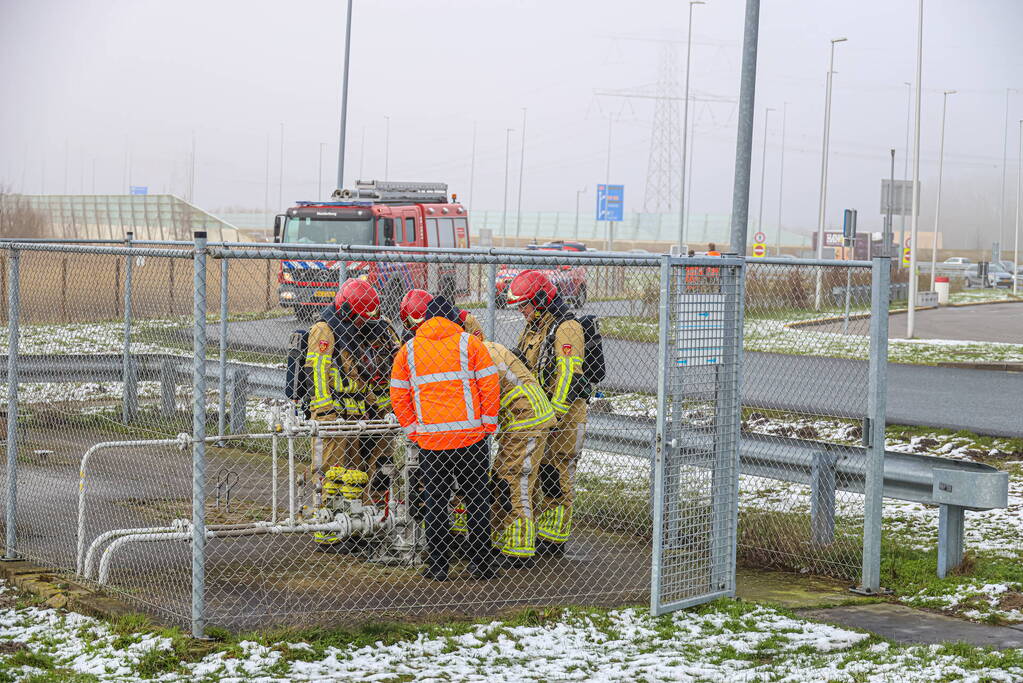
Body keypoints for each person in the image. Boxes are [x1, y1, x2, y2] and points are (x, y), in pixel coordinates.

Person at [390, 296, 501, 581]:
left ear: (425, 319)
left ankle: (439, 566)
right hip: (470, 439)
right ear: (453, 318)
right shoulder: (469, 344)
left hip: (431, 442)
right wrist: (488, 424)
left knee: (436, 503)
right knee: (477, 500)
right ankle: (482, 564)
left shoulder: (409, 350)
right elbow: (489, 384)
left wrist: (413, 429)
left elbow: (398, 395)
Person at [304, 279, 399, 548]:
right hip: (332, 417)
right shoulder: (325, 330)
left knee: (354, 475)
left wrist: (379, 408)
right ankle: (327, 529)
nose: (361, 325)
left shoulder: (355, 330)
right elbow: (317, 372)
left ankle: (352, 527)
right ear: (346, 311)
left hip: (355, 416)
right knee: (329, 472)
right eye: (358, 318)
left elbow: (358, 377)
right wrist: (325, 413)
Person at [506, 270, 588, 556]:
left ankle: (554, 539)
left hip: (564, 418)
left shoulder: (566, 328)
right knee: (538, 475)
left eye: (525, 305)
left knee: (557, 473)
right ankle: (543, 532)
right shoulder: (534, 326)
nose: (522, 311)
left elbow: (569, 377)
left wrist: (554, 415)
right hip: (542, 416)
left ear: (541, 299)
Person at [478, 337, 554, 568]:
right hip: (523, 415)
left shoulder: (478, 354)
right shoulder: (486, 347)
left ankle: (519, 550)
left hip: (526, 417)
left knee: (515, 479)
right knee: (505, 476)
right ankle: (507, 537)